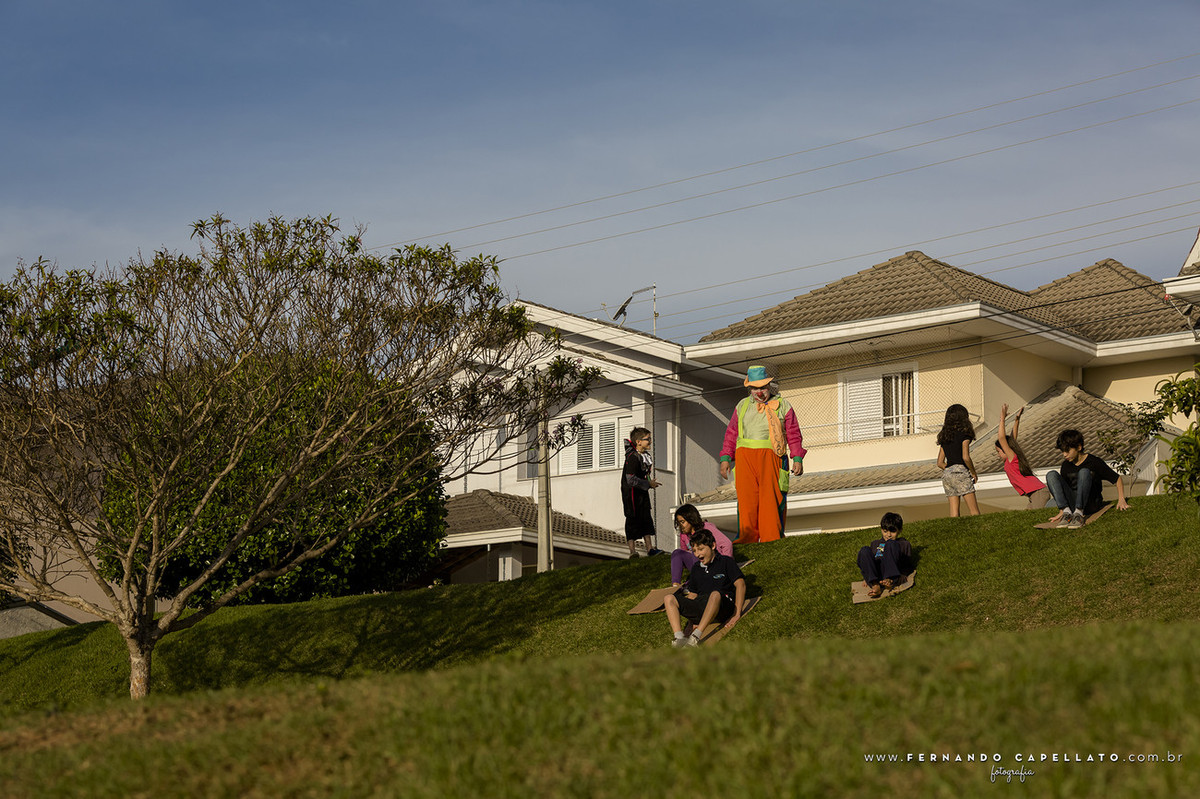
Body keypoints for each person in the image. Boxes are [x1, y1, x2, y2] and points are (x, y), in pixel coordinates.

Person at [718, 365, 806, 543]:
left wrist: (797, 457)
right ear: (750, 389)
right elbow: (731, 434)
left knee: (771, 499)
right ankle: (746, 537)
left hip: (772, 457)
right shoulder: (742, 406)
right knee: (747, 500)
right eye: (755, 388)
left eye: (763, 387)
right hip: (745, 458)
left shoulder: (783, 405)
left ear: (769, 386)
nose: (760, 392)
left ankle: (771, 537)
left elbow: (793, 434)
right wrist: (725, 457)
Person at [663, 527, 746, 648]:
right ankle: (679, 638)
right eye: (694, 550)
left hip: (722, 606)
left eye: (701, 549)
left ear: (712, 546)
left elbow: (741, 585)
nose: (697, 554)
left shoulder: (726, 562)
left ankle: (695, 637)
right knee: (669, 598)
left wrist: (736, 613)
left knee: (715, 594)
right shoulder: (696, 568)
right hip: (702, 606)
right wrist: (691, 622)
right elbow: (693, 595)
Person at [1045, 429, 1129, 528]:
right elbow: (1063, 490)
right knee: (1051, 475)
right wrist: (1061, 510)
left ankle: (1079, 514)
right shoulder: (1065, 465)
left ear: (1079, 447)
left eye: (1067, 451)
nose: (1064, 454)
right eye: (1062, 451)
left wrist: (1121, 499)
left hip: (1091, 503)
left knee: (1084, 472)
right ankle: (1066, 513)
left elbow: (1117, 479)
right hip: (1073, 504)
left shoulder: (1094, 462)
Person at [995, 403, 1053, 508]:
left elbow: (1002, 438)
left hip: (1038, 492)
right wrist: (1017, 420)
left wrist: (1002, 419)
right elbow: (1013, 438)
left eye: (998, 451)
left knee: (1037, 519)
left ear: (1005, 449)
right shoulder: (1011, 459)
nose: (998, 455)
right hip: (1034, 494)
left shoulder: (1012, 458)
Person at [669, 503, 734, 588]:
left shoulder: (707, 527)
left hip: (715, 563)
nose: (680, 526)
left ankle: (696, 582)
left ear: (691, 519)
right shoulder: (684, 535)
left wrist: (725, 564)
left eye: (682, 522)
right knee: (677, 553)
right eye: (678, 523)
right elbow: (685, 553)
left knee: (697, 550)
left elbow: (727, 543)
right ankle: (676, 586)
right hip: (699, 565)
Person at [622, 426, 663, 557]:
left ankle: (650, 549)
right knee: (632, 518)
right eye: (647, 439)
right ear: (639, 441)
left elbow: (645, 474)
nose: (650, 442)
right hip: (632, 494)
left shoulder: (644, 456)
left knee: (646, 517)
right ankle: (632, 551)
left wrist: (650, 483)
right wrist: (647, 484)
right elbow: (630, 479)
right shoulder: (633, 457)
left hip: (641, 492)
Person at [856, 512, 913, 598]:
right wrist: (867, 576)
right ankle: (875, 585)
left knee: (890, 543)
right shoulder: (875, 543)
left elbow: (907, 564)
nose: (888, 535)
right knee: (864, 550)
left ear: (900, 530)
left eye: (893, 531)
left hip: (892, 572)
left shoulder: (904, 544)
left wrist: (903, 576)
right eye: (885, 531)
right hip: (877, 573)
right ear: (881, 529)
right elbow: (869, 561)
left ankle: (890, 581)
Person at [936, 403, 979, 517]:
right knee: (974, 511)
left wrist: (950, 468)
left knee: (954, 513)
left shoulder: (944, 437)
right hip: (961, 472)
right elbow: (965, 457)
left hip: (947, 474)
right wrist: (973, 472)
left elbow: (939, 463)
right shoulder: (965, 434)